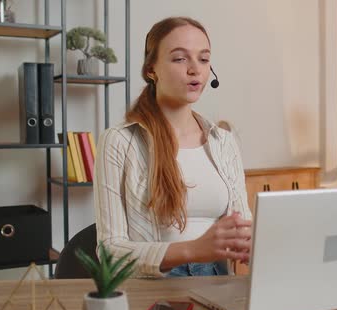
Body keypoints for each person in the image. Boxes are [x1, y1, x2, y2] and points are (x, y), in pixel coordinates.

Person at [94, 16, 252, 278]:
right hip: (155, 286)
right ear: (151, 70)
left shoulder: (223, 141)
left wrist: (253, 244)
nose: (195, 69)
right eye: (180, 58)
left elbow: (244, 228)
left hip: (219, 281)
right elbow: (110, 252)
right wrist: (193, 250)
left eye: (203, 59)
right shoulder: (119, 141)